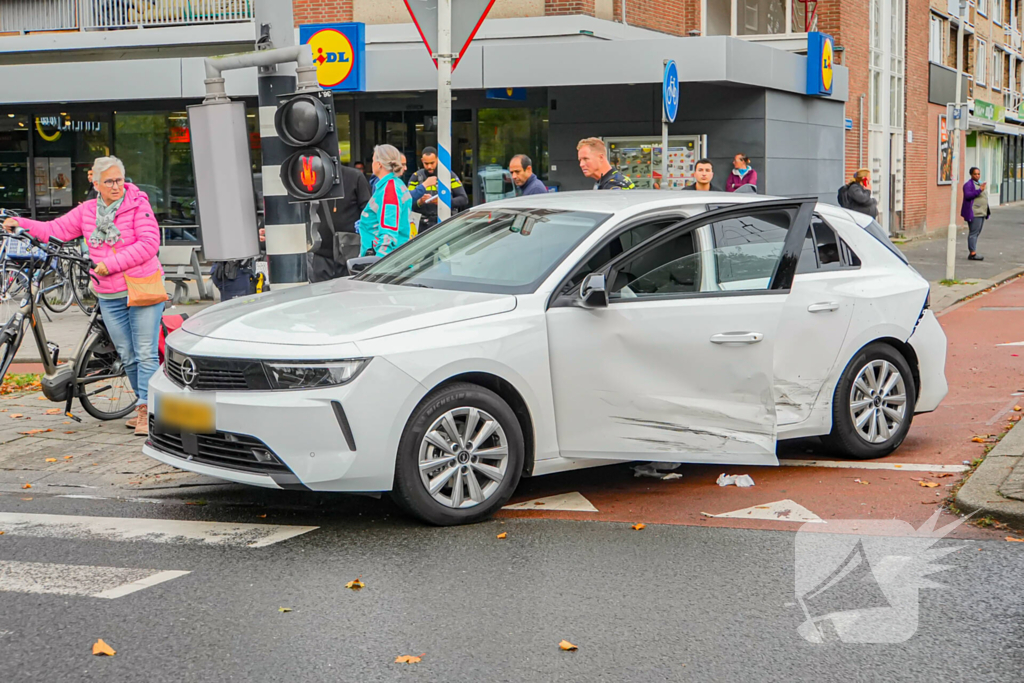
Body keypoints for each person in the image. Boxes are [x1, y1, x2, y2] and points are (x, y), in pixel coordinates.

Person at [2, 156, 163, 436]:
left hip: (142, 289)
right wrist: (20, 224)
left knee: (145, 353)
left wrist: (110, 264)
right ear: (96, 183)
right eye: (109, 181)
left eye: (119, 179)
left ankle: (146, 409)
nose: (116, 186)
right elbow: (55, 230)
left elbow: (149, 244)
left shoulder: (138, 205)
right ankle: (142, 401)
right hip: (108, 294)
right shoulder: (87, 212)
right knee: (127, 353)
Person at [309, 164, 372, 282]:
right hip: (321, 253)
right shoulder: (310, 177)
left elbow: (368, 212)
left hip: (349, 252)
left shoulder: (354, 176)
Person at [358, 144, 413, 257]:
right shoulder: (394, 185)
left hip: (384, 261)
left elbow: (389, 232)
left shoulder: (389, 189)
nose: (371, 164)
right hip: (393, 258)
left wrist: (379, 265)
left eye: (373, 160)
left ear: (379, 164)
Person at [407, 146, 469, 232]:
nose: (429, 167)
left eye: (432, 163)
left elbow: (463, 199)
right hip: (422, 224)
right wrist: (420, 202)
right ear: (422, 161)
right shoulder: (416, 177)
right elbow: (407, 202)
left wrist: (443, 202)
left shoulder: (449, 175)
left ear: (437, 159)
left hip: (445, 222)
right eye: (426, 163)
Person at [962, 166, 990, 261]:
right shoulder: (968, 185)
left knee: (977, 232)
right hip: (975, 212)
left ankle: (973, 250)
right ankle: (972, 253)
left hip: (982, 212)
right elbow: (968, 195)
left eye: (978, 174)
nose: (977, 176)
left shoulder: (980, 183)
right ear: (971, 174)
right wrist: (979, 190)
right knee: (973, 233)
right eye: (975, 174)